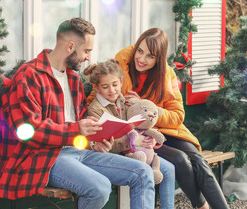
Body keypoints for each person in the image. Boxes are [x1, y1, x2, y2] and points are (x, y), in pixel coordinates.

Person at [0, 18, 155, 209]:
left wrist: (96, 141)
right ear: (70, 46)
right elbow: (29, 130)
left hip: (79, 152)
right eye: (86, 51)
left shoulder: (72, 78)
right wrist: (76, 130)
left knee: (143, 172)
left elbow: (81, 122)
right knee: (100, 188)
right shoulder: (28, 76)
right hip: (44, 158)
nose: (88, 57)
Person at [87, 28, 229, 209]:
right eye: (140, 51)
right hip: (139, 137)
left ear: (158, 58)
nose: (141, 59)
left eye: (150, 56)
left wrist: (149, 109)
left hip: (166, 130)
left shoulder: (167, 74)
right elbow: (95, 96)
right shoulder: (121, 65)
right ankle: (202, 206)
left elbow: (178, 115)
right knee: (179, 159)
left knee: (199, 161)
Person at [84, 59, 176, 209]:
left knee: (169, 168)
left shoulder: (125, 102)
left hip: (138, 150)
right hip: (116, 155)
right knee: (144, 172)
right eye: (105, 87)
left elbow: (142, 124)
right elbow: (103, 142)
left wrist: (149, 139)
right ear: (96, 88)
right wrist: (133, 141)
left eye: (115, 85)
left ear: (121, 82)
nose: (112, 90)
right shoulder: (95, 109)